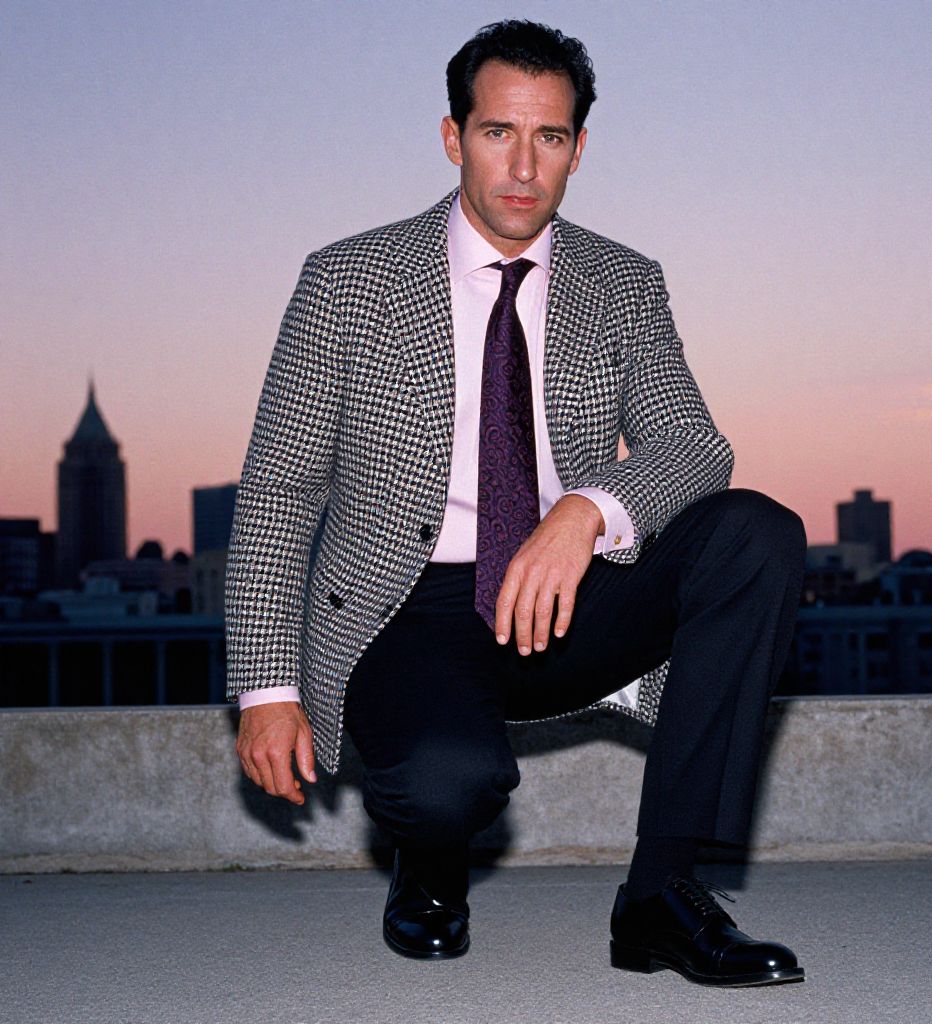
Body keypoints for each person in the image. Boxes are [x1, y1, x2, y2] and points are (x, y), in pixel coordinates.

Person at [225, 19, 807, 988]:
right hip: (402, 607)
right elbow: (279, 490)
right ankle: (431, 860)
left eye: (550, 137)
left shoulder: (623, 281)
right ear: (453, 137)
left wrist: (586, 511)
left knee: (755, 535)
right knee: (448, 784)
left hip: (561, 590)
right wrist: (267, 688)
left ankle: (661, 895)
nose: (523, 165)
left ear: (579, 147)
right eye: (499, 132)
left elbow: (692, 443)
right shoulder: (345, 281)